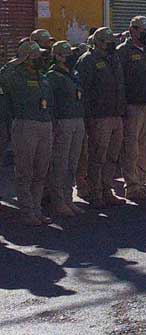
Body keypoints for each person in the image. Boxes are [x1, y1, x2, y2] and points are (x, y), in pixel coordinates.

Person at [1, 39, 54, 225]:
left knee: (41, 171)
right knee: (25, 171)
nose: (40, 58)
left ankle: (37, 209)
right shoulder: (15, 75)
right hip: (25, 125)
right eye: (36, 55)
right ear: (27, 58)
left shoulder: (43, 75)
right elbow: (3, 77)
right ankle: (27, 211)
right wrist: (16, 61)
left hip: (44, 124)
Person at [76, 27, 126, 208]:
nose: (111, 43)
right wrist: (88, 117)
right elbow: (84, 91)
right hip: (99, 116)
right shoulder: (88, 60)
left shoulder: (114, 58)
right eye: (107, 40)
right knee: (98, 156)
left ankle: (107, 189)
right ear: (97, 42)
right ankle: (94, 192)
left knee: (112, 156)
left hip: (115, 114)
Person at [116, 15, 146, 202]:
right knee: (131, 148)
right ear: (133, 30)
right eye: (143, 31)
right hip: (133, 106)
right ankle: (132, 186)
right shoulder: (123, 52)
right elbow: (119, 81)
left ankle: (141, 183)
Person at [45, 41, 85, 218]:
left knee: (72, 163)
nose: (70, 57)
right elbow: (51, 103)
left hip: (77, 119)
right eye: (66, 54)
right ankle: (58, 201)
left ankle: (68, 199)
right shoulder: (53, 76)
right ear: (57, 56)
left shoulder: (73, 73)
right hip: (63, 122)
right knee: (60, 163)